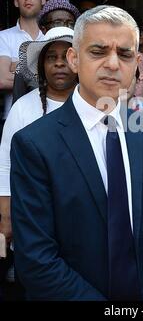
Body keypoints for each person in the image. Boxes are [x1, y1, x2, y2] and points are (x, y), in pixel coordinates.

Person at [10, 5, 143, 300]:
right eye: (98, 51)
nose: (113, 64)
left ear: (137, 64)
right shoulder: (34, 144)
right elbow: (36, 260)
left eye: (125, 54)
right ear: (74, 59)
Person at [0, 27, 77, 285]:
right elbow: (5, 165)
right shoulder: (23, 108)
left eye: (65, 55)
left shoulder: (92, 106)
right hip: (33, 222)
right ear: (41, 64)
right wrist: (7, 218)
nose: (58, 63)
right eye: (50, 57)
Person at [0, 0, 46, 136]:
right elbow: (2, 80)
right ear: (15, 1)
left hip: (48, 117)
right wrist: (43, 72)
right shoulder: (3, 37)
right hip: (13, 119)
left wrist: (18, 66)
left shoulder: (50, 37)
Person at [12, 0, 81, 103]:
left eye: (70, 23)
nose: (64, 27)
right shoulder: (23, 69)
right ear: (43, 29)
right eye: (57, 22)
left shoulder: (84, 63)